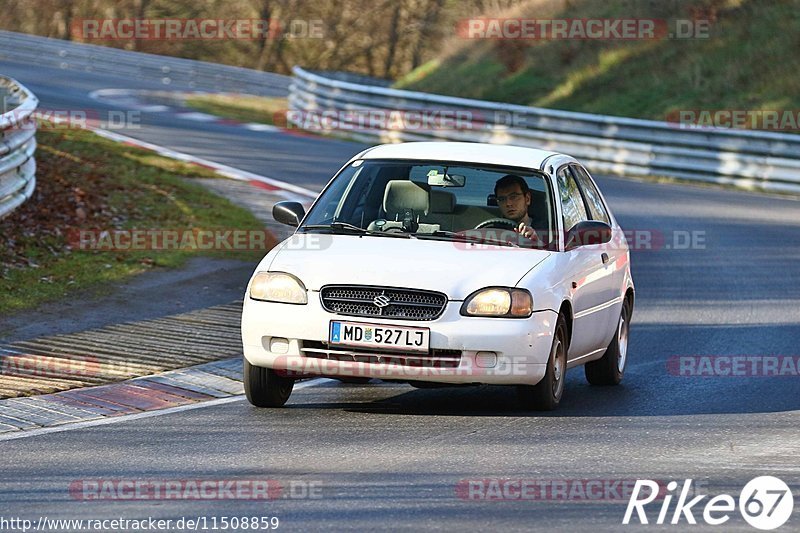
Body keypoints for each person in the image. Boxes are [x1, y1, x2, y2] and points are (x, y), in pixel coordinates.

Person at [494, 174, 537, 240]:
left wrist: (538, 243)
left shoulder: (548, 230)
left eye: (513, 197)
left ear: (527, 199)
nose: (508, 203)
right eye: (502, 199)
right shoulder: (492, 231)